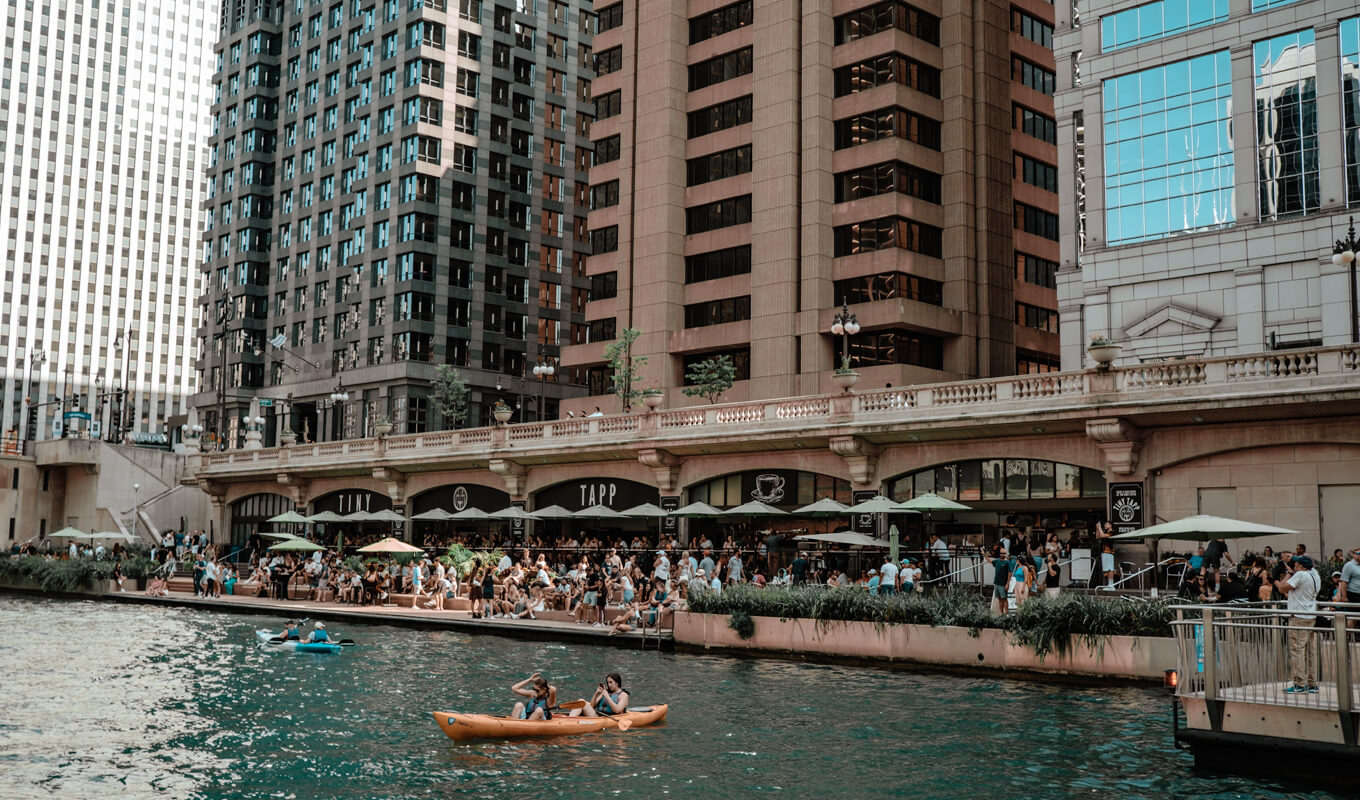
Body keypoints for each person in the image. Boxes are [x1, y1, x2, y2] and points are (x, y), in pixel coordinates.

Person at [1276, 555, 1320, 694]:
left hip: (1299, 617)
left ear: (1300, 566)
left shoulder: (1300, 574)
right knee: (1309, 651)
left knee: (1297, 650)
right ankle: (1312, 684)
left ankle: (1299, 684)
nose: (1293, 566)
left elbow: (1282, 588)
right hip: (1310, 615)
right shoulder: (1315, 574)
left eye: (1295, 564)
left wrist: (1287, 574)